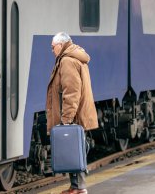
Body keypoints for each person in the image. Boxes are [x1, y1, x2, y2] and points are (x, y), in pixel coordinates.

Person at [46, 32, 98, 194]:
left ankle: (80, 187)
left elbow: (72, 92)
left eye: (53, 47)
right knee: (74, 149)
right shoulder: (74, 57)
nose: (52, 50)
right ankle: (75, 186)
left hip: (73, 115)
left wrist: (66, 118)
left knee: (73, 149)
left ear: (61, 45)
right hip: (77, 114)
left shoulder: (67, 61)